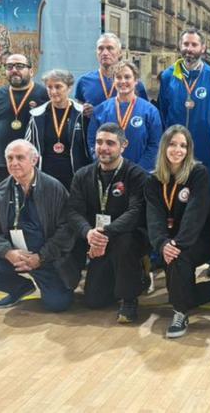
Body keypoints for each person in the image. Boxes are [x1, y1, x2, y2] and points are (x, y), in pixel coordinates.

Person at [0, 139, 77, 312]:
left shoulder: (54, 189)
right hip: (14, 255)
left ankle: (52, 285)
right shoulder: (0, 192)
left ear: (34, 160)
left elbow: (67, 229)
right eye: (10, 158)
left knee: (58, 304)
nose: (14, 163)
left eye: (20, 157)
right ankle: (20, 287)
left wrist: (40, 257)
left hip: (46, 258)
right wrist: (7, 252)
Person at [67, 123, 149, 322]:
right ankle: (132, 279)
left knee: (125, 241)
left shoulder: (136, 175)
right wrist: (88, 233)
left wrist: (104, 233)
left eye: (110, 143)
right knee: (94, 301)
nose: (103, 148)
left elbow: (135, 212)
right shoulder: (82, 175)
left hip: (127, 236)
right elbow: (73, 211)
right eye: (99, 142)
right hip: (97, 240)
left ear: (124, 145)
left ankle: (129, 299)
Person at [145, 125, 210, 338]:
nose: (178, 150)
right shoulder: (153, 180)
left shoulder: (198, 173)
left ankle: (180, 313)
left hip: (198, 240)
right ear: (164, 147)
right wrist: (162, 243)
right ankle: (206, 291)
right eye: (172, 144)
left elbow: (195, 215)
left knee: (177, 259)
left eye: (183, 146)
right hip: (169, 242)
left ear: (189, 150)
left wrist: (176, 244)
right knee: (174, 265)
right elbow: (153, 217)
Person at [159, 28, 210, 190]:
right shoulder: (168, 76)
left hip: (205, 148)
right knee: (175, 194)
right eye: (185, 44)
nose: (189, 49)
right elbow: (163, 111)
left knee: (205, 194)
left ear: (203, 48)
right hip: (175, 150)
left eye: (194, 44)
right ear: (180, 45)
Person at [0, 54, 49, 186]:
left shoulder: (44, 95)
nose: (14, 70)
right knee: (4, 198)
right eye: (9, 67)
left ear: (31, 71)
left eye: (19, 66)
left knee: (33, 198)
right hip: (5, 163)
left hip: (35, 163)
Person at [88, 61, 162, 172]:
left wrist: (137, 171)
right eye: (118, 77)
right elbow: (92, 141)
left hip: (140, 173)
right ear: (113, 81)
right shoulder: (100, 110)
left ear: (136, 81)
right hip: (108, 171)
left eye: (127, 77)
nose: (123, 81)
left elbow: (155, 144)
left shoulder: (150, 111)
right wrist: (103, 164)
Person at [26, 69, 90, 191]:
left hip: (75, 178)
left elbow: (89, 147)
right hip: (45, 178)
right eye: (49, 87)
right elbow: (28, 147)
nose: (53, 91)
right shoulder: (37, 115)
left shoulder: (81, 114)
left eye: (58, 87)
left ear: (69, 88)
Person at [74, 33, 148, 118]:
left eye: (110, 48)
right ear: (96, 53)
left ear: (120, 53)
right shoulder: (84, 81)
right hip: (94, 126)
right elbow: (77, 111)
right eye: (100, 48)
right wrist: (83, 110)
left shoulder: (133, 83)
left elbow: (144, 112)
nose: (105, 53)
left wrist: (97, 111)